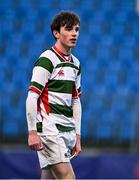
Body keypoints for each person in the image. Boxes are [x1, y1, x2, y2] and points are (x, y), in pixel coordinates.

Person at [26, 10, 82, 179]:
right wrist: (32, 132)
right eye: (69, 29)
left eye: (77, 29)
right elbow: (32, 96)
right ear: (56, 33)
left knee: (49, 177)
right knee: (68, 177)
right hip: (50, 130)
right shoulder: (47, 59)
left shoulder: (76, 64)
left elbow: (76, 101)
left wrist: (77, 136)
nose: (74, 34)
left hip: (66, 131)